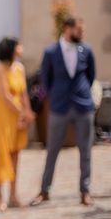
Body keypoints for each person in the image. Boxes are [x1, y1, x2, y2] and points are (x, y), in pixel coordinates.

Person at [30, 17, 96, 207]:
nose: (82, 33)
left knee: (86, 150)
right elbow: (45, 79)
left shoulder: (87, 50)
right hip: (59, 108)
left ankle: (85, 191)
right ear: (67, 29)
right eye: (78, 29)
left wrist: (82, 94)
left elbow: (91, 76)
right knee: (52, 150)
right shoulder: (50, 52)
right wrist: (54, 96)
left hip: (83, 107)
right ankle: (45, 190)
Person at [0, 37, 34, 211]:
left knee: (16, 155)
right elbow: (5, 96)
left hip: (18, 117)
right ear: (11, 49)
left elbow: (23, 94)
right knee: (2, 155)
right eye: (18, 46)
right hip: (4, 117)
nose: (21, 48)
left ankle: (14, 195)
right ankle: (0, 196)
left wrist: (28, 113)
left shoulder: (20, 68)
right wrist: (22, 112)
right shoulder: (0, 69)